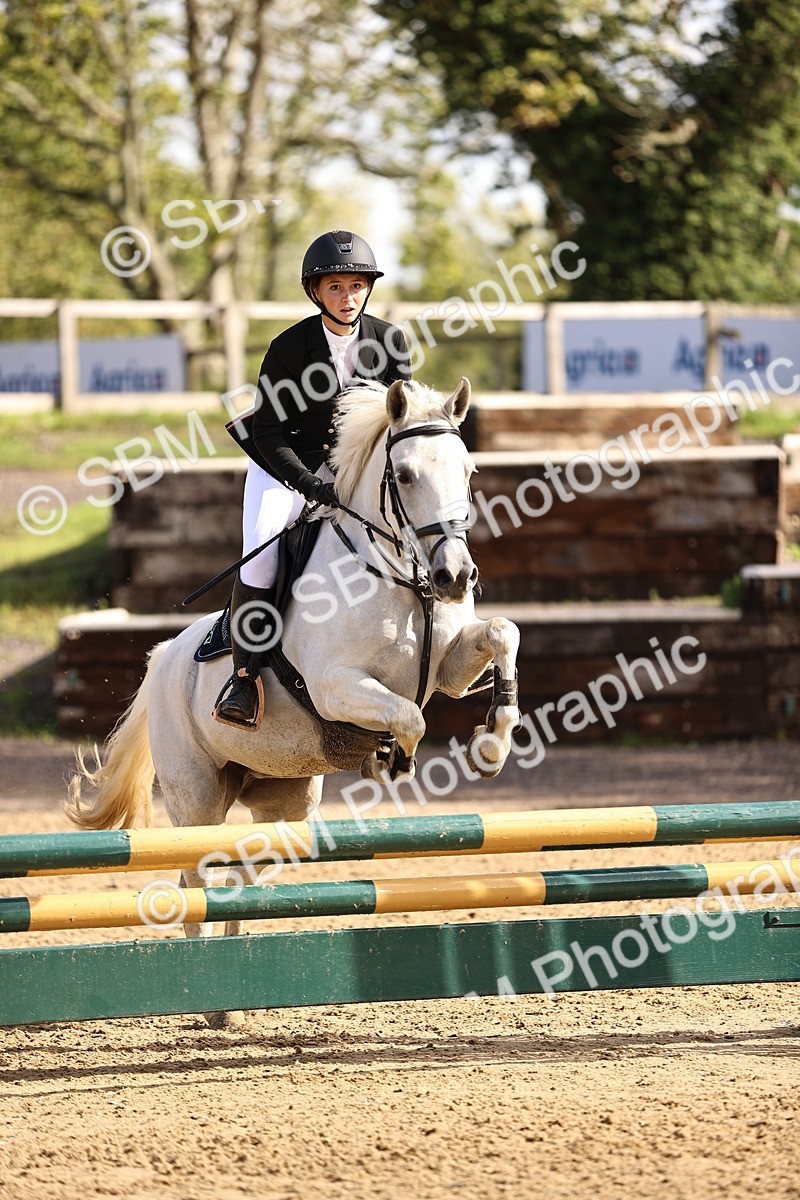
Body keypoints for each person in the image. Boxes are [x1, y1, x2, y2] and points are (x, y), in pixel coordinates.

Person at [215, 229, 412, 729]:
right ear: (315, 292)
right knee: (262, 555)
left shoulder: (390, 341)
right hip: (285, 466)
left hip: (355, 468)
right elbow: (267, 432)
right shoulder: (289, 347)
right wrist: (309, 485)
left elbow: (402, 419)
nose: (348, 298)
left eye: (357, 286)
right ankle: (244, 676)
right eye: (335, 287)